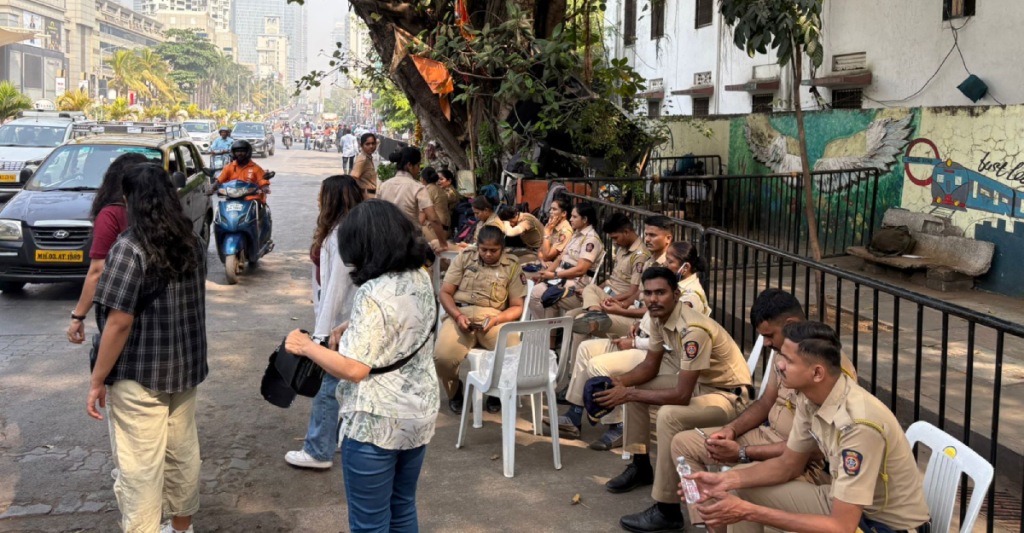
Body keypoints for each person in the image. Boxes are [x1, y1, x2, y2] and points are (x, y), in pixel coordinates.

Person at [621, 289, 856, 533]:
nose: (765, 343)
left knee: (736, 482)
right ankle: (709, 524)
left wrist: (743, 453)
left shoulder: (826, 368)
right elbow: (765, 403)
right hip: (767, 435)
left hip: (803, 461)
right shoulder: (785, 354)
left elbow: (813, 451)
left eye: (769, 335)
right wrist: (730, 430)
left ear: (790, 324)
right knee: (684, 444)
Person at [283, 200, 439, 533]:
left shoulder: (373, 290)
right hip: (419, 412)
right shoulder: (420, 276)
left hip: (376, 423)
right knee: (402, 507)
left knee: (370, 523)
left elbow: (354, 369)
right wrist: (350, 326)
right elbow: (403, 327)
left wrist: (307, 347)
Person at [688, 321, 930, 533]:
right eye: (781, 356)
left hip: (883, 526)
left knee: (745, 505)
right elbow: (787, 465)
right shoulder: (809, 396)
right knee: (739, 488)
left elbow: (841, 527)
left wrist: (749, 512)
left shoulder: (858, 426)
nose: (779, 365)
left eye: (788, 360)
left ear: (817, 373)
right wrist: (726, 481)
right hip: (845, 504)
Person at [86, 163, 208, 533]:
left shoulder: (130, 247)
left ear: (130, 200)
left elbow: (118, 323)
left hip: (139, 375)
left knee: (140, 466)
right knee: (182, 453)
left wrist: (96, 380)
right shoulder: (194, 242)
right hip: (185, 369)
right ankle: (182, 528)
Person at [596, 267, 752, 496]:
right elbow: (649, 367)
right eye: (648, 294)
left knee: (667, 415)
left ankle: (666, 506)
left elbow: (681, 395)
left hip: (728, 397)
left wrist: (627, 394)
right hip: (701, 385)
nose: (653, 299)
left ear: (676, 294)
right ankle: (640, 466)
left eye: (660, 292)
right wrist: (617, 383)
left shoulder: (694, 330)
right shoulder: (660, 317)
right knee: (636, 389)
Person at [285, 175, 365, 470]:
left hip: (340, 322)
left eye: (322, 194)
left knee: (328, 385)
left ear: (331, 198)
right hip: (347, 318)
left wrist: (320, 335)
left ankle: (319, 449)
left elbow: (335, 287)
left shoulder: (340, 235)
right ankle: (342, 437)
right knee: (346, 383)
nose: (317, 198)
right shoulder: (349, 230)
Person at [434, 226, 527, 414]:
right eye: (483, 249)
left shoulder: (512, 265)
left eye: (493, 250)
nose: (487, 254)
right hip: (460, 316)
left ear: (502, 248)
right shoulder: (465, 258)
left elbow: (517, 306)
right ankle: (455, 393)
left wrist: (497, 319)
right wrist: (458, 316)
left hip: (494, 319)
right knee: (443, 357)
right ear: (478, 247)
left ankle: (496, 391)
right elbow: (445, 293)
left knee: (511, 349)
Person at [67, 153, 151, 345]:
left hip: (122, 307)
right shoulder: (165, 214)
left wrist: (78, 316)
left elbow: (98, 271)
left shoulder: (111, 214)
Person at [569, 213, 649, 338]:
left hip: (619, 299)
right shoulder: (622, 248)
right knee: (570, 314)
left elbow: (633, 292)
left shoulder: (640, 255)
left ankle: (594, 314)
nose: (614, 242)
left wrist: (614, 302)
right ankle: (595, 313)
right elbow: (609, 281)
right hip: (609, 294)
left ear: (626, 232)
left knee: (582, 320)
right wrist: (593, 293)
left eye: (615, 238)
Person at [527, 202, 603, 319]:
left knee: (541, 295)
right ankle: (548, 332)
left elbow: (580, 270)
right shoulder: (576, 234)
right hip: (561, 276)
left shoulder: (591, 240)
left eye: (574, 217)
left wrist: (554, 275)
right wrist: (544, 275)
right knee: (536, 290)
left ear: (585, 219)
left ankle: (548, 332)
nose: (571, 219)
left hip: (576, 282)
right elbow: (559, 259)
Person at [377, 147, 447, 252]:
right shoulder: (417, 187)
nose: (419, 169)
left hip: (387, 240)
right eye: (418, 165)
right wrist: (443, 243)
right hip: (410, 242)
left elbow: (376, 214)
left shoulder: (383, 185)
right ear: (409, 165)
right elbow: (433, 219)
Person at [539, 197, 574, 265]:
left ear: (563, 213)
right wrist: (542, 260)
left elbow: (547, 257)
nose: (550, 212)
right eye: (550, 209)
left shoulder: (566, 232)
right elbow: (540, 250)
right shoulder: (550, 225)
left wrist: (547, 231)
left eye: (554, 209)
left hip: (558, 266)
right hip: (546, 264)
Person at [421, 167, 451, 242]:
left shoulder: (427, 191)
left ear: (423, 180)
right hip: (446, 229)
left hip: (436, 232)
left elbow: (421, 219)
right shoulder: (441, 189)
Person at [351, 133, 379, 198]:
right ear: (362, 145)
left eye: (373, 143)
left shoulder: (368, 157)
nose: (371, 146)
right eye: (367, 144)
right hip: (365, 196)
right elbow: (353, 178)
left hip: (370, 195)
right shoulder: (362, 159)